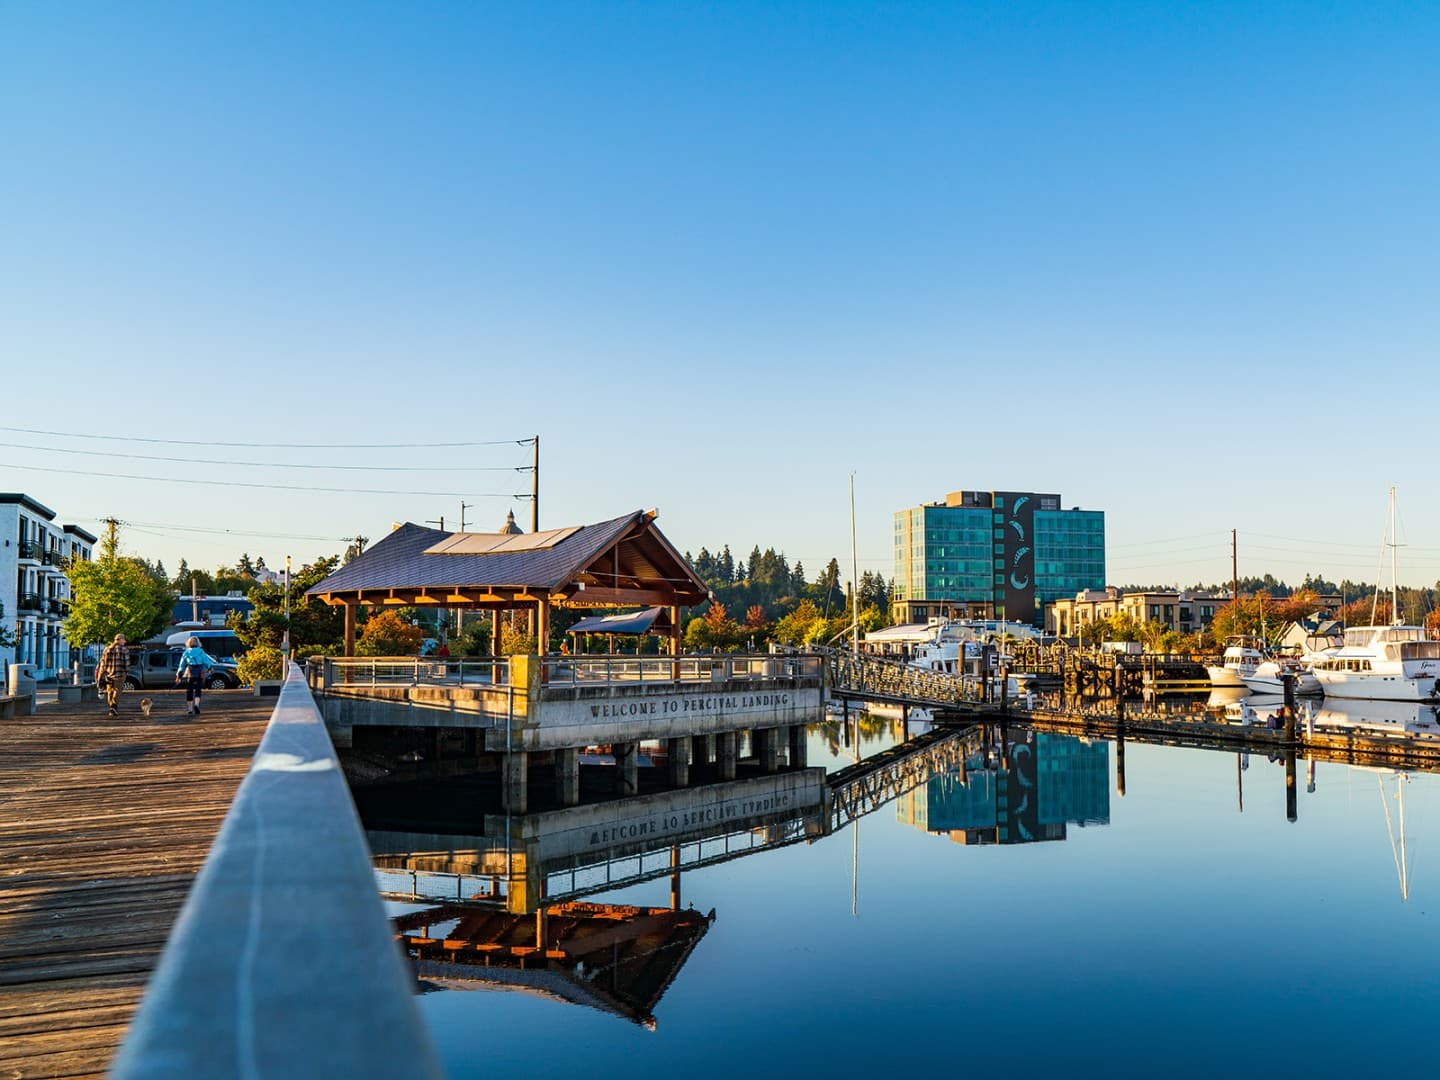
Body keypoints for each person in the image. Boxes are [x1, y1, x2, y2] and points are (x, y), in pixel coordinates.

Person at [176, 636, 216, 716]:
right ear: (198, 643)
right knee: (198, 689)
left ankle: (190, 709)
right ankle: (196, 705)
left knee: (189, 690)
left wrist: (179, 675)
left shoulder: (186, 652)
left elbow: (182, 665)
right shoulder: (201, 651)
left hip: (190, 671)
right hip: (200, 671)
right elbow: (206, 661)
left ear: (189, 643)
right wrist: (210, 668)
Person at [95, 633, 129, 717]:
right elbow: (127, 664)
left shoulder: (107, 649)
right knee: (117, 691)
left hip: (108, 674)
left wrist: (101, 673)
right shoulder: (124, 650)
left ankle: (111, 708)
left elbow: (103, 663)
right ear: (120, 640)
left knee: (110, 691)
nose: (125, 642)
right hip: (120, 674)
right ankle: (114, 706)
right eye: (124, 640)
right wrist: (126, 672)